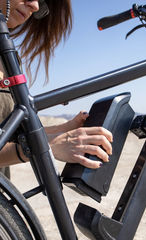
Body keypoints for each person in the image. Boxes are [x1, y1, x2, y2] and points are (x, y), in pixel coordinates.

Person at [0, 0, 113, 170]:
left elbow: (8, 137)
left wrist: (64, 130)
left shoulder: (9, 58)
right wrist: (45, 146)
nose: (35, 6)